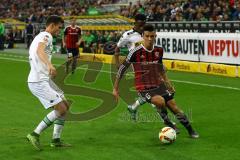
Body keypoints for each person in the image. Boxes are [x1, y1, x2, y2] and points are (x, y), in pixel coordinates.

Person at [113, 24, 199, 138]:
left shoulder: (159, 50)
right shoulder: (135, 52)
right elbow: (122, 70)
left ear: (155, 36)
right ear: (143, 36)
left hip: (158, 84)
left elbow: (160, 68)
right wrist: (115, 89)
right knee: (160, 102)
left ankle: (190, 130)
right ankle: (167, 121)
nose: (149, 39)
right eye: (147, 36)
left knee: (174, 107)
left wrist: (168, 83)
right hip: (143, 87)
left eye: (152, 36)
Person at [114, 14, 175, 130]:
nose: (143, 24)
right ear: (135, 22)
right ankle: (167, 121)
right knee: (155, 96)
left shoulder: (147, 34)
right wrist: (117, 62)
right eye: (141, 22)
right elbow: (117, 47)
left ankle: (133, 107)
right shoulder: (128, 35)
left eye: (144, 22)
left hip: (151, 64)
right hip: (139, 67)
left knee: (154, 93)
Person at [26, 15, 71, 150]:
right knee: (61, 108)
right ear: (52, 25)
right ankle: (34, 134)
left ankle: (56, 139)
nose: (59, 30)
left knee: (65, 104)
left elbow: (40, 51)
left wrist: (48, 69)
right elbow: (40, 51)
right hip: (38, 81)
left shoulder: (41, 36)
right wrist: (50, 65)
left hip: (44, 79)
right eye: (59, 27)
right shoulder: (46, 35)